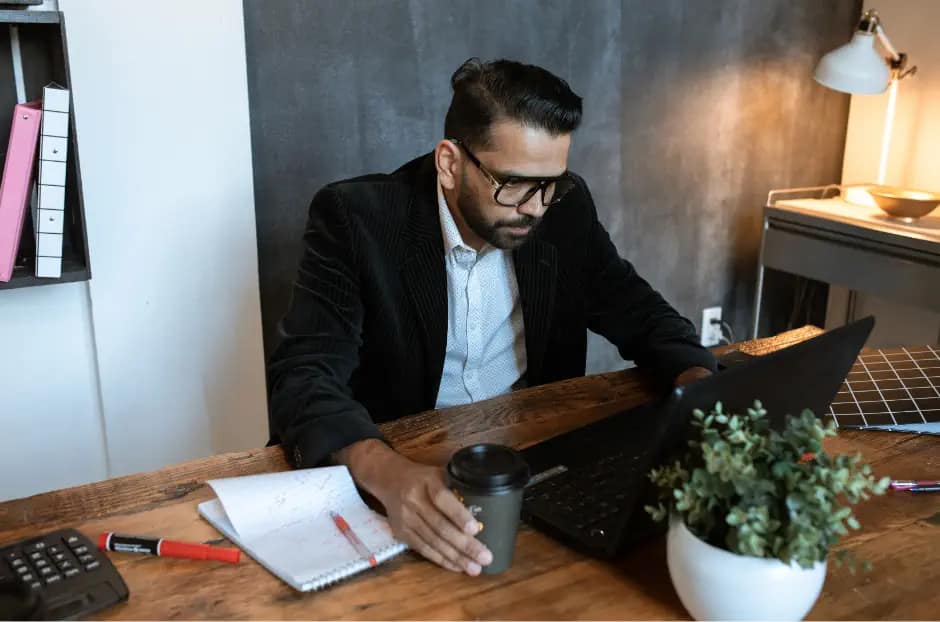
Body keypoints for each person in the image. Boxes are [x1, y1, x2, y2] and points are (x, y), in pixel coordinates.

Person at [268, 57, 715, 576]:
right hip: (401, 473)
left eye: (551, 183)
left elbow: (637, 308)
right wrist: (388, 474)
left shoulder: (563, 209)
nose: (536, 207)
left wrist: (701, 388)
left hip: (533, 467)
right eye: (515, 184)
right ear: (450, 163)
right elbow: (303, 374)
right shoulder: (357, 219)